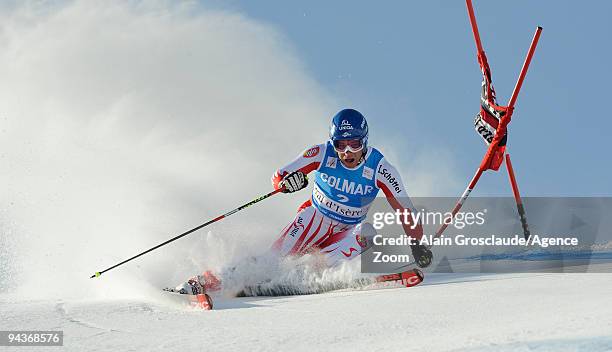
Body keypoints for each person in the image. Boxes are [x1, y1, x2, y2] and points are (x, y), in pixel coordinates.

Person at [176, 108, 432, 295]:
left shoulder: (381, 168)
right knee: (271, 260)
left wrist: (417, 243)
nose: (347, 153)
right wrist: (288, 183)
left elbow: (406, 210)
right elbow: (280, 175)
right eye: (341, 145)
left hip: (345, 231)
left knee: (367, 233)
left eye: (354, 144)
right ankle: (205, 281)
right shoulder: (321, 153)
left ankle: (306, 276)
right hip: (314, 218)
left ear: (364, 141)